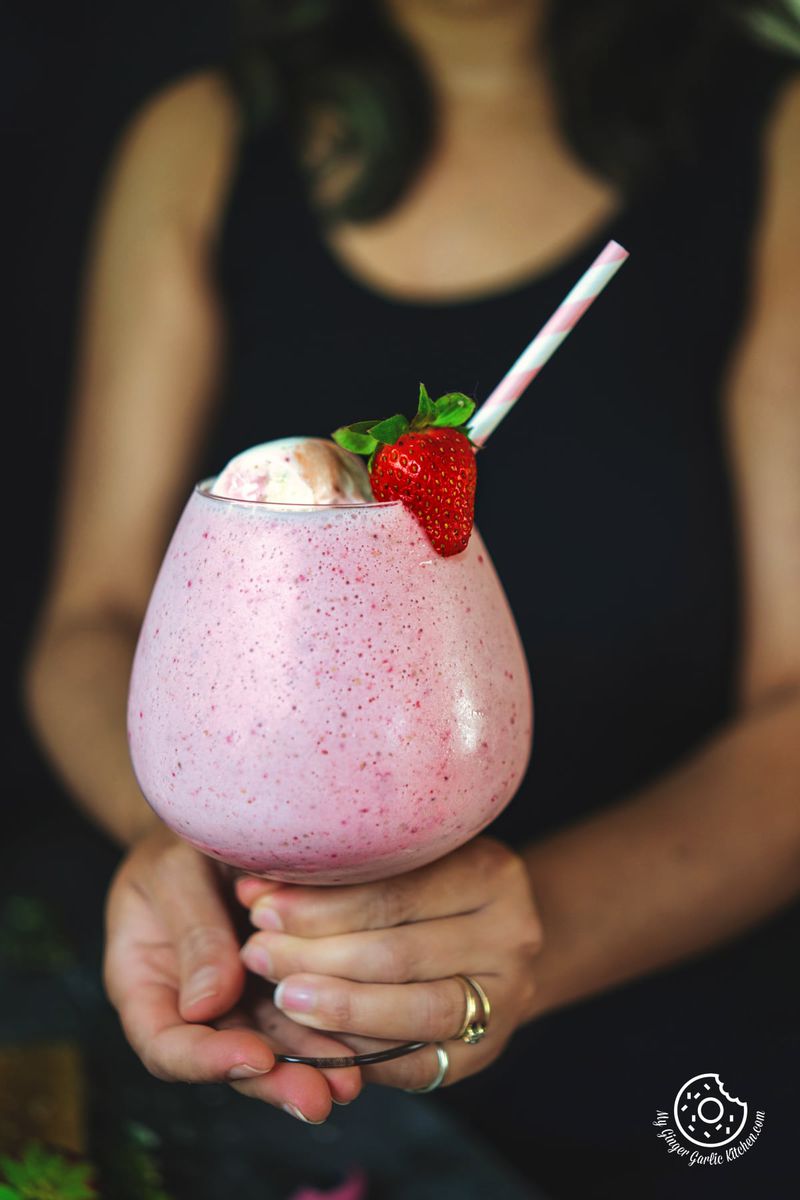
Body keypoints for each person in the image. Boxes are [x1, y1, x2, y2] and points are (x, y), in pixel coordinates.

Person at [24, 0, 800, 1194]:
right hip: (259, 971)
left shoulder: (773, 136)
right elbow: (89, 622)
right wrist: (171, 838)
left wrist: (526, 935)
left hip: (681, 1049)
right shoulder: (206, 140)